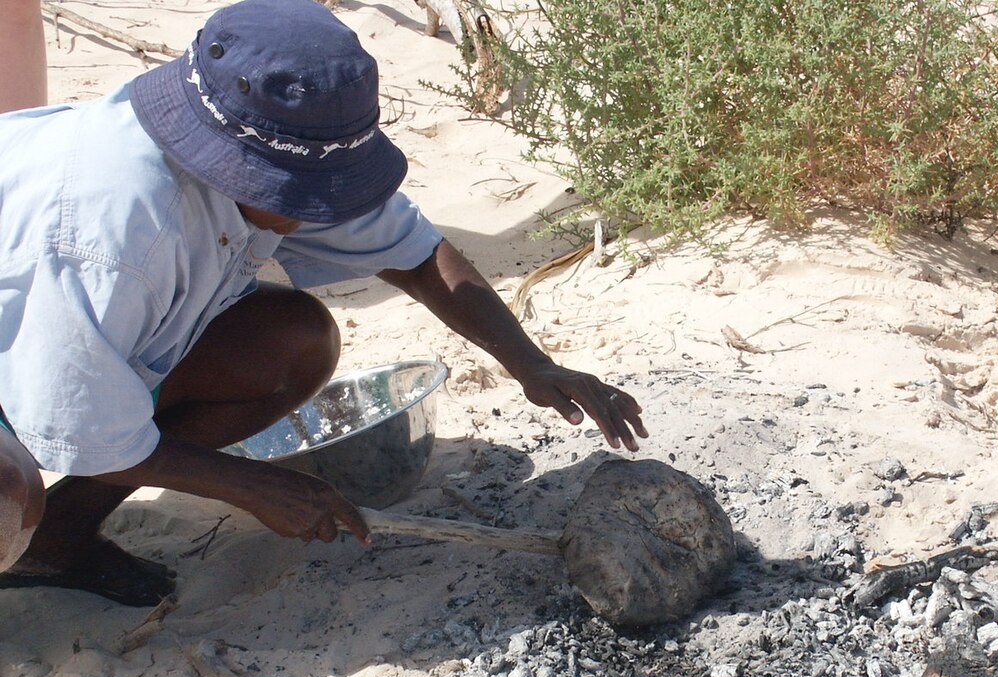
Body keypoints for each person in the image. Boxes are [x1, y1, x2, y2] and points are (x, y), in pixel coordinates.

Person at [0, 0, 647, 608]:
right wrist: (252, 487)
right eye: (300, 191)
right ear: (228, 162)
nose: (322, 206)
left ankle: (59, 537)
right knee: (9, 498)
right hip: (25, 361)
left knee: (290, 344)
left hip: (74, 344)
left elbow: (416, 256)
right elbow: (82, 422)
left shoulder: (277, 142)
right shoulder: (107, 232)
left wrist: (533, 365)